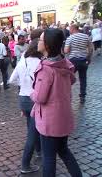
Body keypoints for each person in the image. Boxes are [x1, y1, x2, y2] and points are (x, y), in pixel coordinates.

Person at [32, 28, 82, 177]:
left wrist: (31, 92)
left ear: (47, 45)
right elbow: (72, 79)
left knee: (48, 158)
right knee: (64, 151)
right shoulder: (64, 63)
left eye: (40, 40)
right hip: (63, 117)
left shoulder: (46, 69)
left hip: (49, 122)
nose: (37, 42)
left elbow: (40, 97)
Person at [9, 39, 42, 174]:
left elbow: (11, 80)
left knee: (31, 127)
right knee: (32, 133)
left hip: (23, 98)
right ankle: (25, 164)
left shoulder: (23, 61)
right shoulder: (41, 63)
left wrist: (23, 84)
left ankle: (39, 151)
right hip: (34, 99)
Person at [64, 24, 93, 103]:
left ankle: (67, 95)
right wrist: (89, 58)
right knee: (83, 78)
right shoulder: (85, 36)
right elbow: (90, 48)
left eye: (70, 28)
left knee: (68, 79)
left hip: (73, 61)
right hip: (83, 60)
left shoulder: (70, 38)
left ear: (73, 29)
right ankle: (82, 96)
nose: (69, 30)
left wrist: (69, 50)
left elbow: (66, 51)